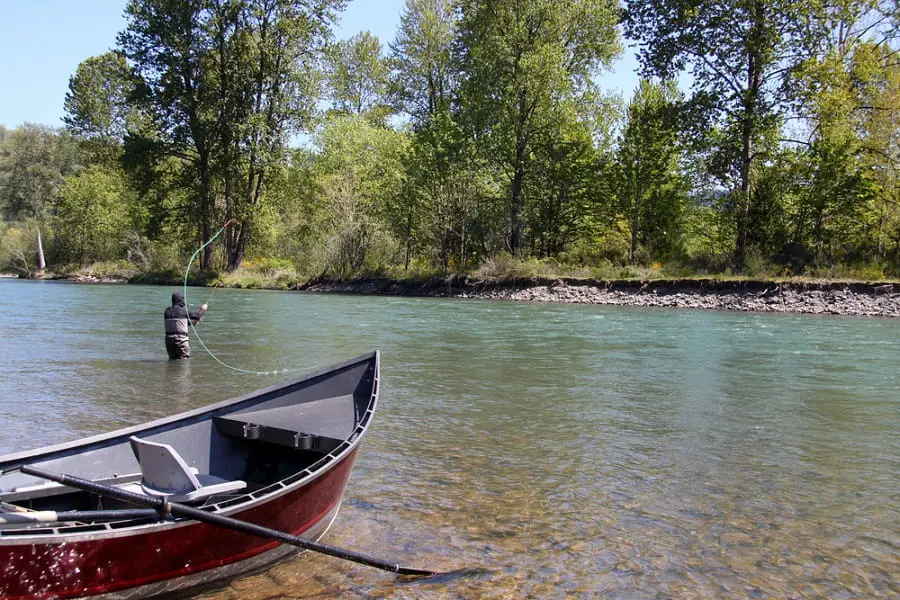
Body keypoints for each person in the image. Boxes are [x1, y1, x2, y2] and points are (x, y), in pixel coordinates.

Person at [164, 291, 207, 359]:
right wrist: (203, 309)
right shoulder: (183, 311)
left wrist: (194, 323)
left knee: (172, 359)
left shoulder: (167, 311)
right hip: (181, 341)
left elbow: (181, 323)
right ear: (181, 300)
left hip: (169, 341)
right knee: (183, 362)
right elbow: (198, 316)